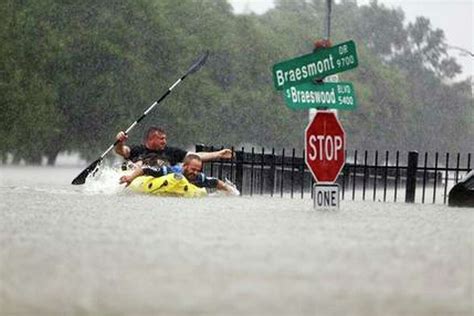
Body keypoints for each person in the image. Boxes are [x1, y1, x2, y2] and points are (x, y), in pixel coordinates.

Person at [119, 154, 239, 195]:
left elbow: (216, 182)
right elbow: (146, 169)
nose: (195, 172)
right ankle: (131, 166)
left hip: (183, 187)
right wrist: (130, 178)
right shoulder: (170, 171)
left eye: (198, 170)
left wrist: (231, 190)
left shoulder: (198, 177)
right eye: (193, 169)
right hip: (154, 178)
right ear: (184, 166)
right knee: (148, 164)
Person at [115, 126, 233, 167]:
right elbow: (121, 151)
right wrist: (119, 141)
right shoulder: (137, 150)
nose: (165, 141)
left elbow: (195, 156)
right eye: (161, 139)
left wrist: (219, 154)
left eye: (165, 138)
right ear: (151, 139)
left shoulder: (172, 152)